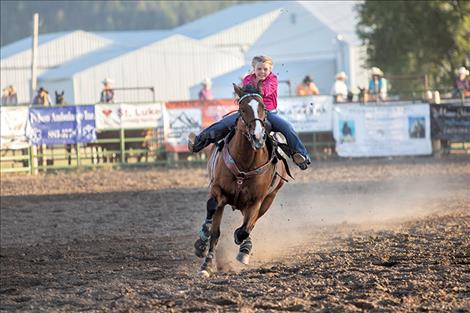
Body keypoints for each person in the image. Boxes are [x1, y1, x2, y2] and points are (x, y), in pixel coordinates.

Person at [187, 55, 311, 170]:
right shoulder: (247, 79)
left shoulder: (272, 79)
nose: (262, 72)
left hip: (268, 113)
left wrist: (249, 90)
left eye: (265, 69)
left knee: (287, 127)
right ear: (254, 69)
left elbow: (264, 91)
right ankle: (198, 142)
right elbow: (246, 94)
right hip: (249, 113)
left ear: (270, 70)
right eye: (259, 69)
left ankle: (300, 154)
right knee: (224, 123)